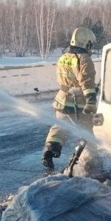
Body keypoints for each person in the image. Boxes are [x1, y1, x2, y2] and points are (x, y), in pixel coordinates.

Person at [42, 27, 98, 169]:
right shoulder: (84, 60)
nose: (91, 48)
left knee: (59, 127)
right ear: (87, 43)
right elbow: (87, 83)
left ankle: (50, 150)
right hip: (78, 103)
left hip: (62, 99)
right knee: (87, 131)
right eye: (91, 45)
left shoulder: (63, 58)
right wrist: (91, 102)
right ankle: (92, 161)